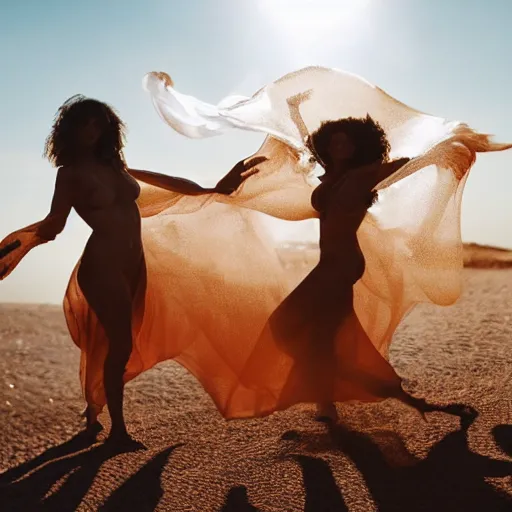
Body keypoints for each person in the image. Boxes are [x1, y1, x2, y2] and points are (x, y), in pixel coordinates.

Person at [0, 94, 265, 447]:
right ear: (71, 130)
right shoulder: (70, 174)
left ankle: (93, 413)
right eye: (85, 123)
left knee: (115, 343)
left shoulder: (114, 164)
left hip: (133, 262)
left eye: (99, 122)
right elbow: (54, 224)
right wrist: (19, 244)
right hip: (102, 266)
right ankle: (118, 432)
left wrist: (212, 188)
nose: (93, 129)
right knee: (121, 343)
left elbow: (163, 182)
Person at [233, 114, 444, 421]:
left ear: (359, 145)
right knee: (321, 339)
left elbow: (405, 164)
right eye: (334, 140)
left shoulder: (365, 173)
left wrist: (438, 155)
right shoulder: (331, 173)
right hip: (331, 263)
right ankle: (360, 399)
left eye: (346, 140)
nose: (339, 145)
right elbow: (306, 142)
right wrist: (295, 109)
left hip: (341, 264)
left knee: (283, 326)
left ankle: (346, 389)